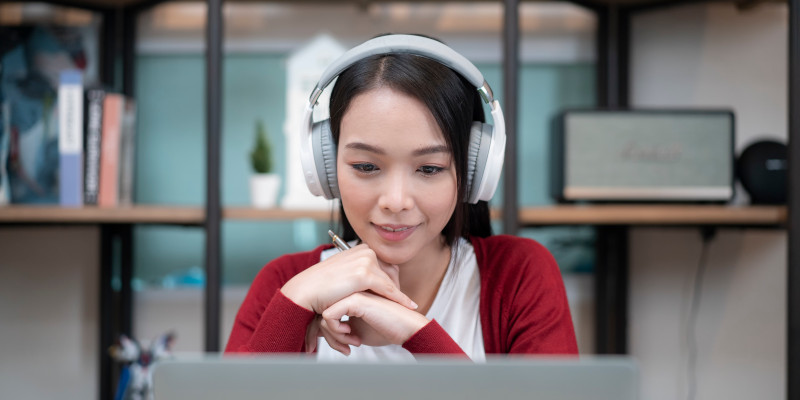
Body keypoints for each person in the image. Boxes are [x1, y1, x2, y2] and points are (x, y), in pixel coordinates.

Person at [225, 34, 578, 360]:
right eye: (365, 166)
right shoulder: (287, 283)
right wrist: (294, 305)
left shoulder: (518, 275)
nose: (396, 201)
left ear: (472, 171)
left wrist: (414, 332)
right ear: (327, 168)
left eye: (429, 169)